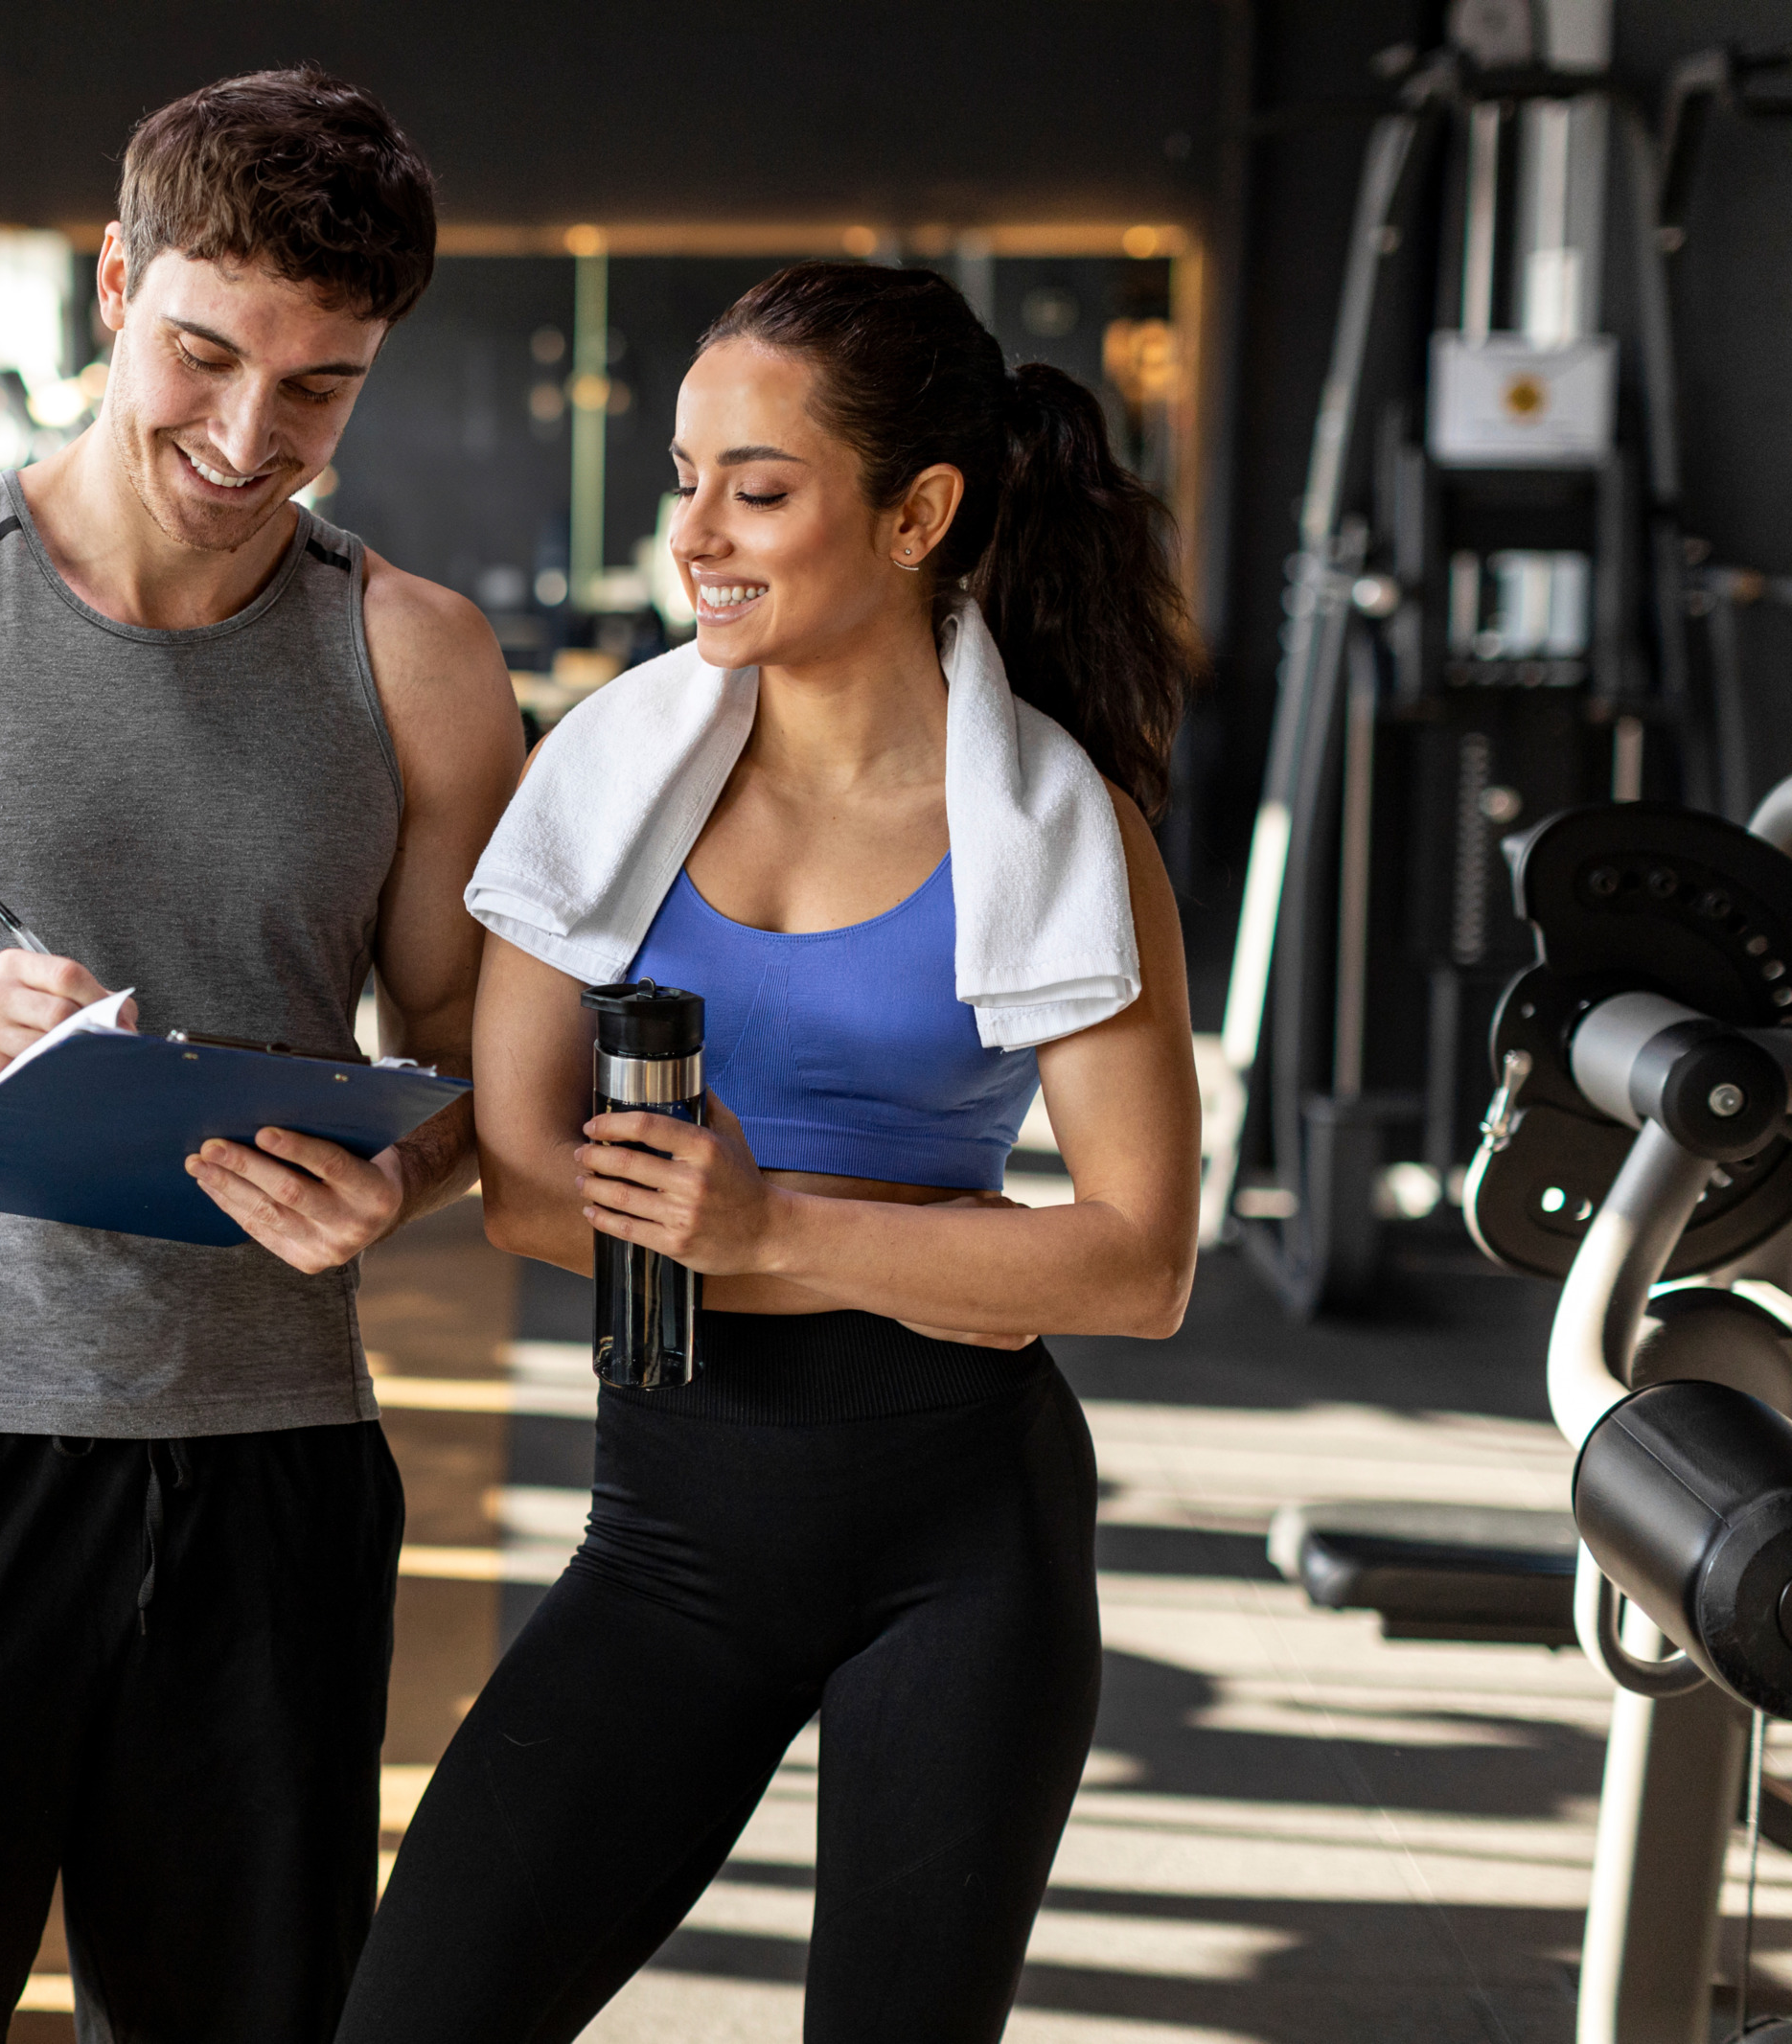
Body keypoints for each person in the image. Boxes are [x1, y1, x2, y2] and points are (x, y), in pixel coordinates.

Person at [0, 66, 523, 2044]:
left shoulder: (415, 656)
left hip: (275, 1474)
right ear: (114, 280)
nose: (247, 434)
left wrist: (407, 1173)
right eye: (202, 353)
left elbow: (478, 1042)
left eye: (316, 387)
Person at [334, 262, 1204, 2043]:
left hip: (968, 1538)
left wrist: (754, 1223)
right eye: (684, 479)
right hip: (673, 1530)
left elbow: (1134, 1261)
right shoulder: (602, 784)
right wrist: (874, 1242)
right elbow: (518, 1183)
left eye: (760, 485)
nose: (700, 535)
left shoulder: (1060, 825)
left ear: (919, 512)